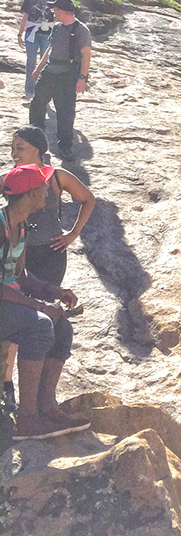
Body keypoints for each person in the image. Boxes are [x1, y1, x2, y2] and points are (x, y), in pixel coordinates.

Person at [4, 129, 91, 435]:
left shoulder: (21, 228)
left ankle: (46, 407)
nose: (46, 192)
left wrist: (51, 291)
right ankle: (26, 418)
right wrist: (38, 304)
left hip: (10, 302)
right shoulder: (2, 228)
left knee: (61, 325)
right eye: (40, 189)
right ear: (29, 196)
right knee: (40, 324)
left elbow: (19, 275)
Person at [26, 0, 85, 159]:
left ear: (61, 10)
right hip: (49, 71)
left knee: (65, 111)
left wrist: (82, 77)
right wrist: (38, 68)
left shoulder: (81, 29)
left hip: (67, 74)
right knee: (37, 103)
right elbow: (50, 49)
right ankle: (34, 139)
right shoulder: (57, 27)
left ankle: (65, 145)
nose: (53, 12)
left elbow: (87, 55)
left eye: (55, 9)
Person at [16, 0, 52, 97]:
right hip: (31, 33)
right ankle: (29, 90)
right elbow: (25, 17)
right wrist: (20, 34)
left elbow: (58, 17)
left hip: (47, 34)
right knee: (31, 61)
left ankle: (42, 91)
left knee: (45, 62)